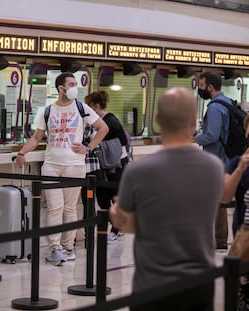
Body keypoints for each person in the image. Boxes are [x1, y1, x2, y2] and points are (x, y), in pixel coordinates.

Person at [111, 87, 224, 311]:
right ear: (194, 120)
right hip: (199, 283)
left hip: (152, 285)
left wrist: (117, 216)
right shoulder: (214, 167)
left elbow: (130, 223)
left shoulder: (139, 171)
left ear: (158, 120)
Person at [16, 72, 108, 265]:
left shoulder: (82, 108)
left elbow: (103, 128)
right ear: (61, 88)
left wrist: (88, 147)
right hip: (51, 165)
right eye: (72, 83)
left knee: (69, 208)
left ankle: (68, 247)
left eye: (76, 83)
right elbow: (36, 137)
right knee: (54, 208)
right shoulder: (47, 110)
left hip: (74, 165)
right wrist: (22, 153)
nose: (75, 87)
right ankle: (55, 247)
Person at [194, 71, 231, 251]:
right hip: (225, 158)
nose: (200, 90)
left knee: (217, 202)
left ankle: (220, 241)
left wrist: (197, 138)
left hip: (217, 160)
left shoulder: (215, 108)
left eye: (201, 86)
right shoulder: (228, 103)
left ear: (210, 87)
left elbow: (212, 135)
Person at [84, 90, 128, 243]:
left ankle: (116, 229)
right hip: (103, 164)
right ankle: (112, 226)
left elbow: (122, 142)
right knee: (102, 199)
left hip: (116, 165)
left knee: (114, 197)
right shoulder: (97, 121)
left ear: (96, 106)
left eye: (90, 106)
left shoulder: (109, 121)